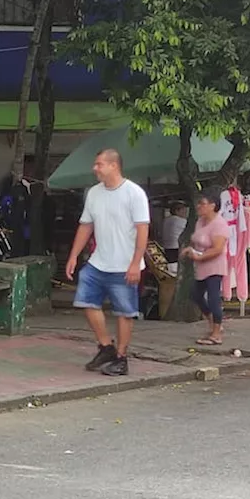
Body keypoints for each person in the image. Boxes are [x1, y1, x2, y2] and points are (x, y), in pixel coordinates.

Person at [65, 149, 149, 377]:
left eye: (99, 164)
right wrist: (74, 255)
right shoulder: (93, 193)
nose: (95, 168)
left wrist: (135, 263)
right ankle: (105, 346)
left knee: (125, 312)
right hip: (98, 261)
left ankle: (121, 357)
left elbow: (143, 230)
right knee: (86, 302)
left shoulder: (134, 193)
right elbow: (86, 225)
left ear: (114, 166)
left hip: (124, 264)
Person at [186, 188, 229, 345]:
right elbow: (198, 241)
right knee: (195, 294)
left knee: (213, 297)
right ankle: (213, 321)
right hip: (201, 265)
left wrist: (201, 256)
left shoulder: (219, 224)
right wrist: (192, 251)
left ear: (213, 205)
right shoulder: (200, 222)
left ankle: (216, 333)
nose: (199, 207)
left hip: (215, 265)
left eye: (203, 204)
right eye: (199, 204)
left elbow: (217, 248)